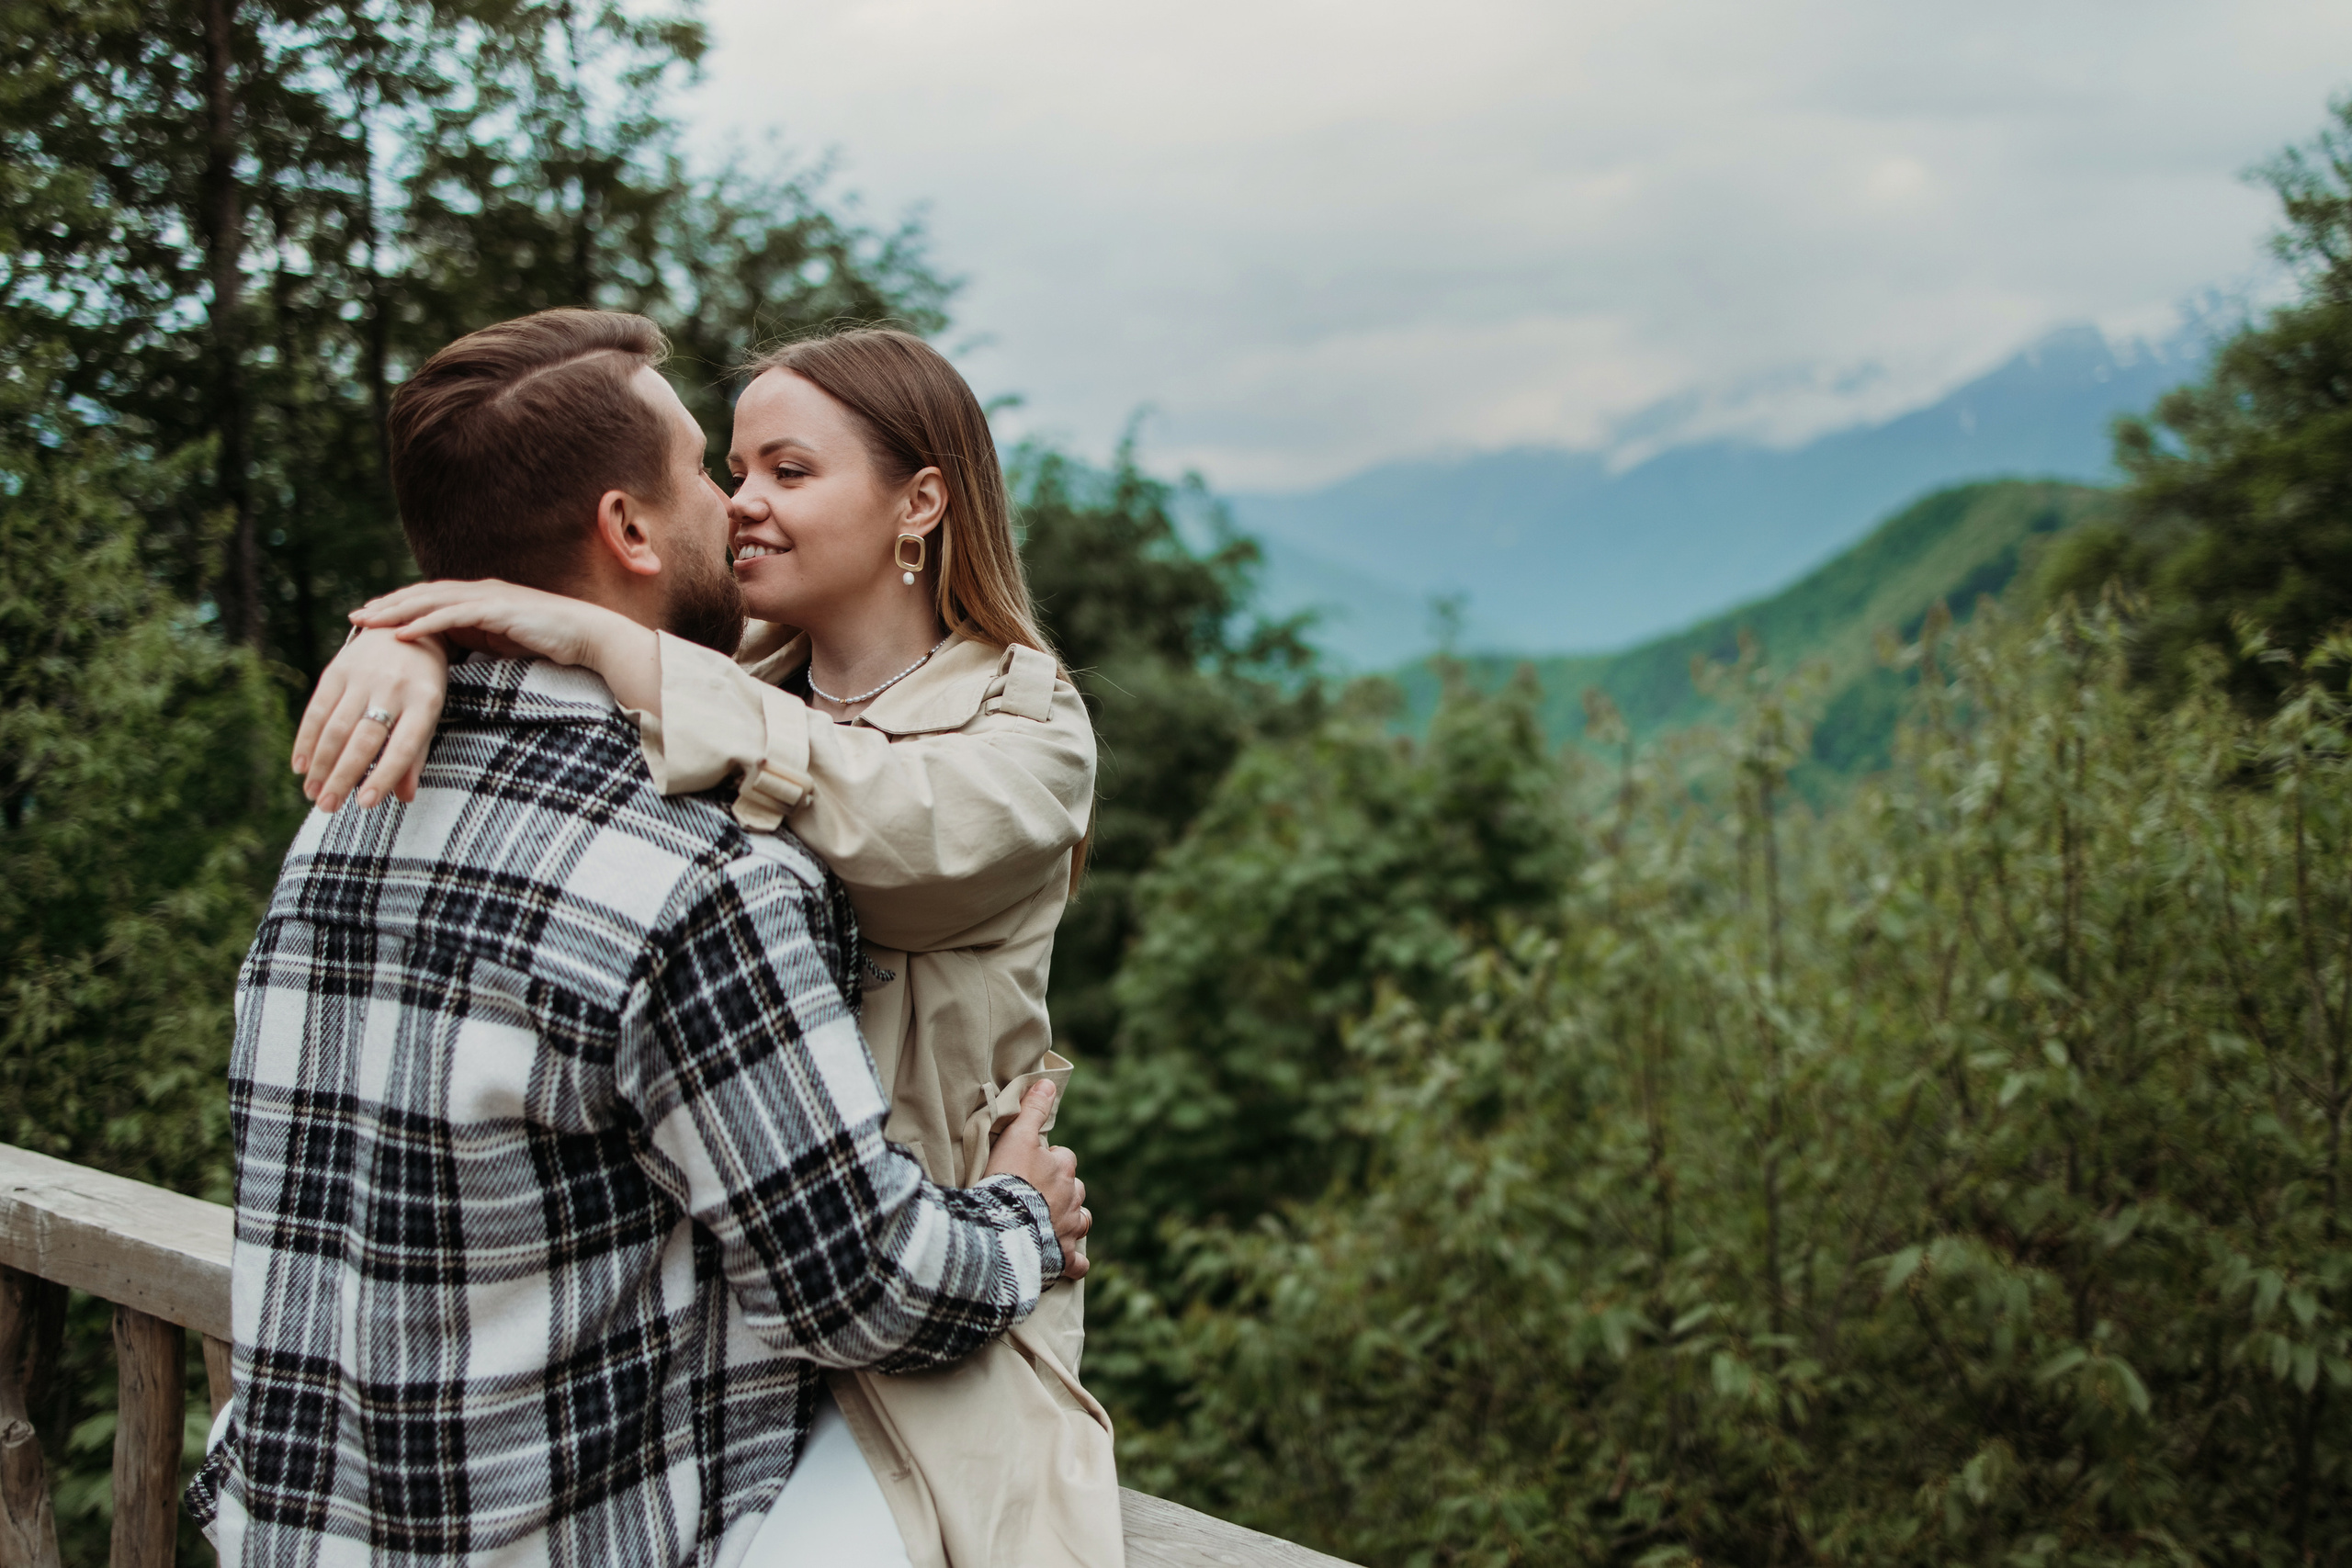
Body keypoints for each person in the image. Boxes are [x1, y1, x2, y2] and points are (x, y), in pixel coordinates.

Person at [186, 309, 1091, 1568]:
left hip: (303, 1526)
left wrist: (465, 634)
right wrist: (1024, 1223)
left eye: (784, 471)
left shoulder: (345, 816)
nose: (738, 504)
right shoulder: (704, 867)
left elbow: (904, 818)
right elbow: (860, 1284)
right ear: (627, 530)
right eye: (719, 470)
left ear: (920, 504)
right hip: (772, 1367)